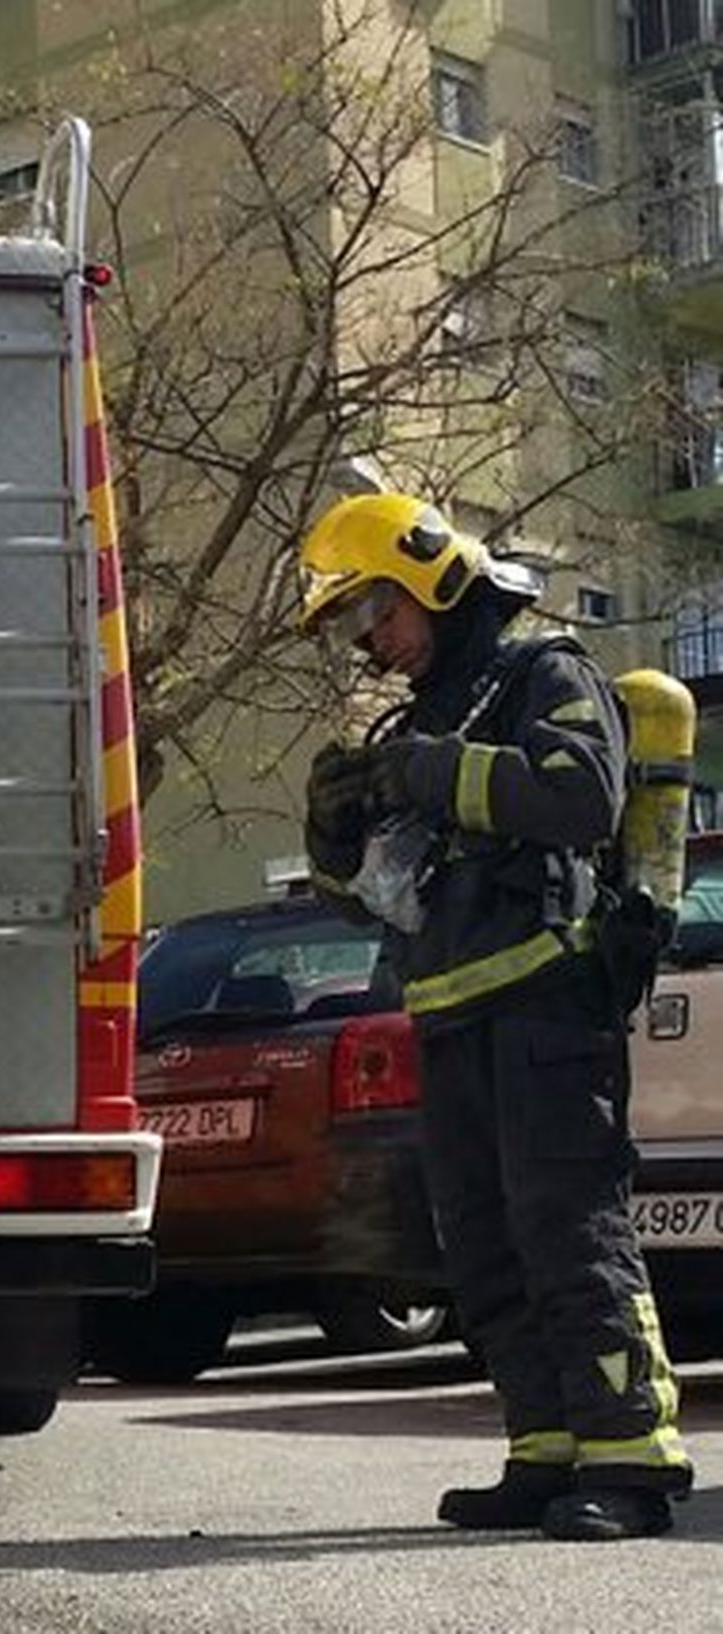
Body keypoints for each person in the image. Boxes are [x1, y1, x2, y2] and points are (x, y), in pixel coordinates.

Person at [297, 490, 694, 1543]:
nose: (369, 642)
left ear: (426, 573)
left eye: (374, 612)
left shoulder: (542, 674)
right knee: (481, 1241)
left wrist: (425, 771)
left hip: (548, 1000)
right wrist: (335, 837)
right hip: (452, 1011)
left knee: (567, 1226)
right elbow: (381, 893)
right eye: (355, 624)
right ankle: (544, 1446)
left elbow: (577, 797)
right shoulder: (419, 715)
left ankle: (631, 1454)